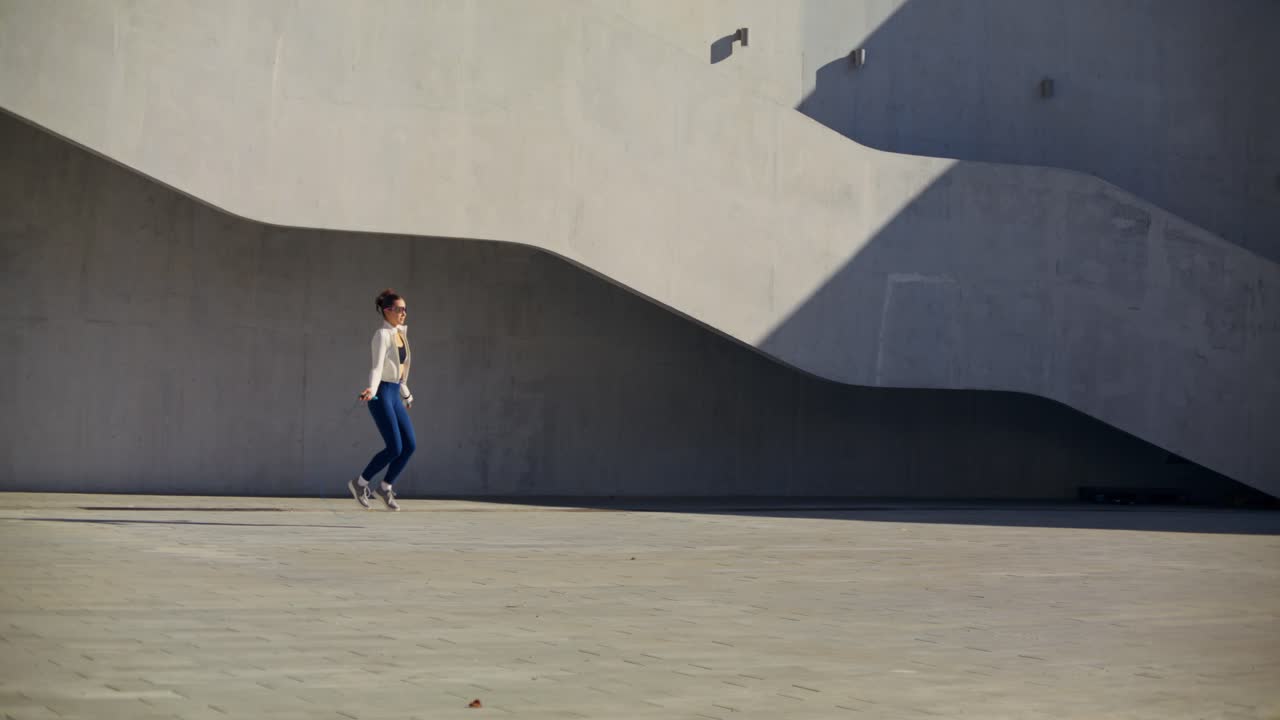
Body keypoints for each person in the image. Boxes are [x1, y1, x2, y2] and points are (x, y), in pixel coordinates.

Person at [349, 289, 416, 510]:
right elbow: (377, 367)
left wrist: (405, 393)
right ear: (387, 311)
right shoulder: (382, 335)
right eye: (399, 309)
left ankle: (385, 487)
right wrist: (371, 388)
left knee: (409, 446)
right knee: (395, 447)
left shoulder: (401, 334)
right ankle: (360, 484)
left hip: (394, 393)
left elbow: (399, 369)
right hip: (380, 394)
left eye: (405, 309)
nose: (403, 313)